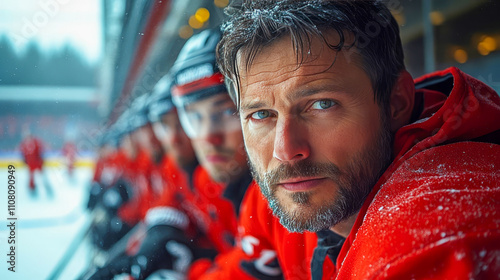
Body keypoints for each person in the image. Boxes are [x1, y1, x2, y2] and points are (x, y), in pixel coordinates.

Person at [216, 0, 500, 279]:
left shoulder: (432, 237)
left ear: (396, 103)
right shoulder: (292, 187)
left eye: (322, 104)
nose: (286, 151)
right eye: (261, 114)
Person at [19, 127, 45, 192]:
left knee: (41, 175)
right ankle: (32, 187)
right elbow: (23, 153)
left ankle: (39, 186)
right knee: (32, 176)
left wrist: (40, 158)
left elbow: (40, 150)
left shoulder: (35, 141)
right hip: (32, 162)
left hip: (36, 162)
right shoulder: (25, 143)